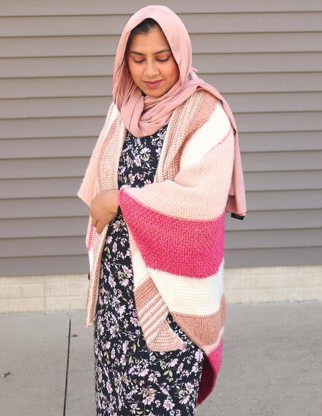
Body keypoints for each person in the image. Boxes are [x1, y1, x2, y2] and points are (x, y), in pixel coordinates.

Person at [77, 5, 247, 415]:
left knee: (163, 401)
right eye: (138, 59)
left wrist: (121, 199)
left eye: (162, 57)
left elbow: (201, 199)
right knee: (116, 397)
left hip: (170, 293)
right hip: (118, 287)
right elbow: (102, 176)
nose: (150, 71)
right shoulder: (123, 107)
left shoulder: (206, 113)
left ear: (180, 55)